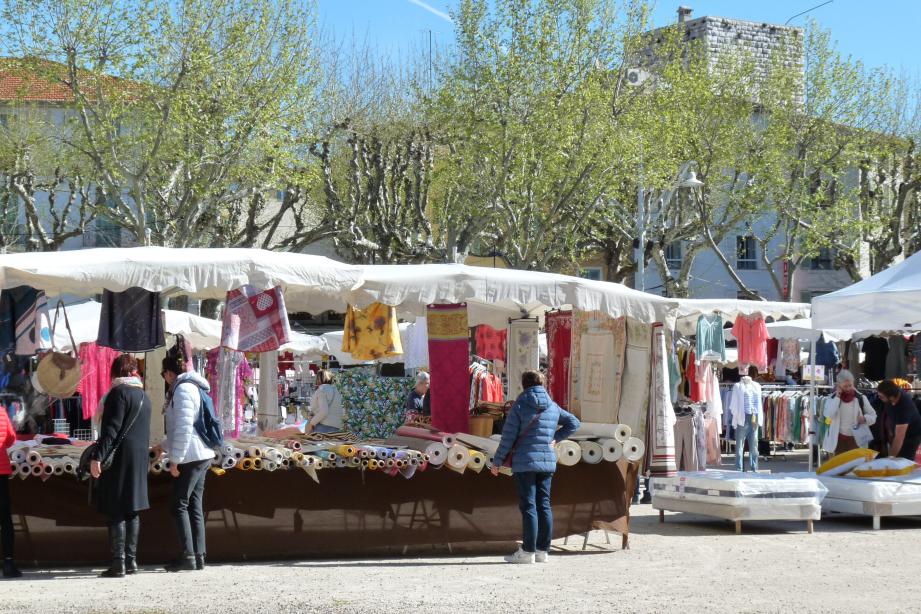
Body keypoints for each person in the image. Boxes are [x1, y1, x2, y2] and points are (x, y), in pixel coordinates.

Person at [491, 370, 580, 565]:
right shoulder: (552, 406)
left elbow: (508, 437)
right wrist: (555, 438)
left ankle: (528, 551)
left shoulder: (520, 405)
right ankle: (542, 551)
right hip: (547, 462)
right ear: (543, 384)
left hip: (525, 462)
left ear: (523, 385)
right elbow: (574, 422)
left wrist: (496, 462)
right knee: (544, 505)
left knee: (529, 506)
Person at [90, 355, 152, 579]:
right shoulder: (144, 396)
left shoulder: (117, 394)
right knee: (132, 509)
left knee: (116, 508)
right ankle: (131, 560)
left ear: (116, 372)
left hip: (119, 458)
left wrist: (97, 457)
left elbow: (111, 430)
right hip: (138, 457)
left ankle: (118, 563)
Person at [160, 351, 215, 572]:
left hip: (192, 455)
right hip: (201, 453)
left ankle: (188, 555)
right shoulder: (193, 387)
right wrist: (162, 446)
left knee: (178, 504)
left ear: (170, 373)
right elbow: (181, 429)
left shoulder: (182, 390)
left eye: (163, 373)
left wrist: (175, 460)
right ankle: (199, 555)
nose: (163, 378)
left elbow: (183, 429)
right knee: (194, 505)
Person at [822, 370, 877, 454]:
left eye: (850, 385)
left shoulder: (861, 398)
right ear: (838, 385)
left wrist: (865, 419)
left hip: (856, 440)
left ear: (853, 383)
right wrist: (837, 397)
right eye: (845, 386)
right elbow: (828, 415)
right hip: (838, 440)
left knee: (856, 466)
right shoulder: (832, 398)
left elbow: (873, 416)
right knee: (840, 466)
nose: (848, 388)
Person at [0, 400, 21, 578]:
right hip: (1, 472)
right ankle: (8, 562)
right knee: (5, 519)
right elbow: (11, 439)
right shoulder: (1, 412)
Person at [877, 380, 921, 461]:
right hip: (897, 432)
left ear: (891, 397)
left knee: (903, 462)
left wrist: (890, 458)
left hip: (911, 436)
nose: (879, 398)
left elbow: (899, 437)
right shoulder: (893, 394)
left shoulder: (904, 407)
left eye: (881, 396)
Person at [730, 366, 762, 472]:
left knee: (754, 445)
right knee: (739, 446)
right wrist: (736, 417)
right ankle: (739, 468)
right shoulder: (737, 386)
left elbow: (759, 404)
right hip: (742, 418)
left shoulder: (757, 386)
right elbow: (733, 404)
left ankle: (754, 467)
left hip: (754, 418)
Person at [305, 370, 345, 434]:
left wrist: (311, 423)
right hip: (336, 426)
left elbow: (324, 411)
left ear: (319, 379)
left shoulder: (322, 390)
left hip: (323, 426)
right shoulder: (336, 390)